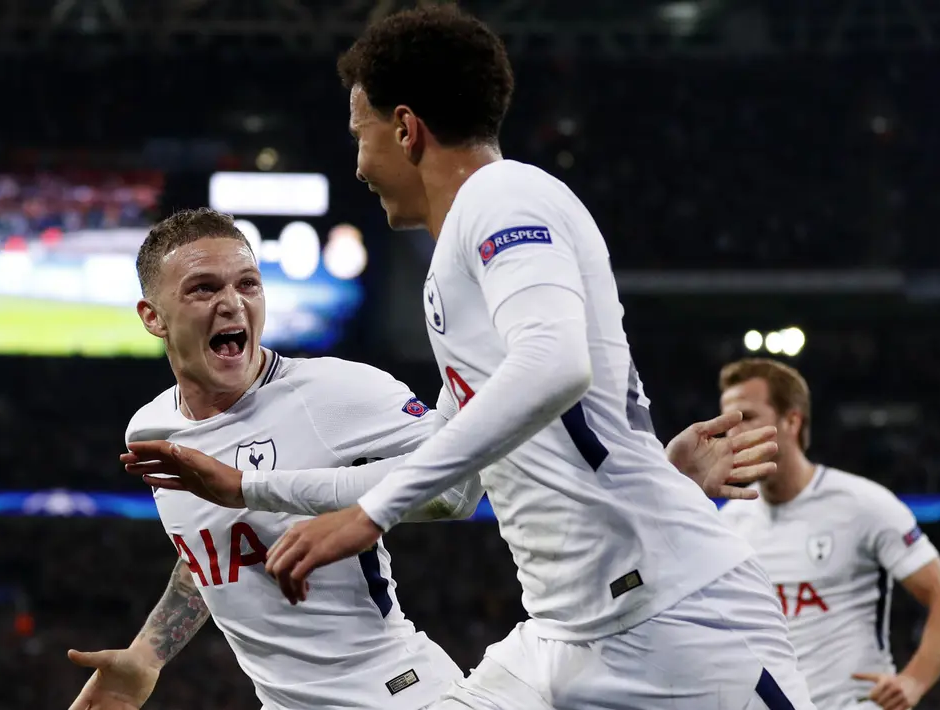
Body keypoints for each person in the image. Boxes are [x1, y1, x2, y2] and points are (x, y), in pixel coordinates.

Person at [131, 7, 814, 709]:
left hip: (674, 623)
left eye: (359, 136)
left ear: (404, 128)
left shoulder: (502, 194)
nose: (360, 164)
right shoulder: (453, 261)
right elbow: (452, 482)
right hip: (561, 633)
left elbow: (554, 362)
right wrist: (250, 491)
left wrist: (369, 515)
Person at [67, 208, 778, 710]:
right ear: (152, 317)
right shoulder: (150, 431)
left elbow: (457, 486)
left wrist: (656, 475)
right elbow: (209, 548)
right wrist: (147, 655)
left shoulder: (339, 392)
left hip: (396, 694)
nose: (233, 303)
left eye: (246, 284)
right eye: (203, 289)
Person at [717, 359, 940, 710]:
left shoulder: (863, 504)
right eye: (727, 421)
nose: (733, 433)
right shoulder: (729, 522)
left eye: (747, 417)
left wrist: (914, 680)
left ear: (791, 421)